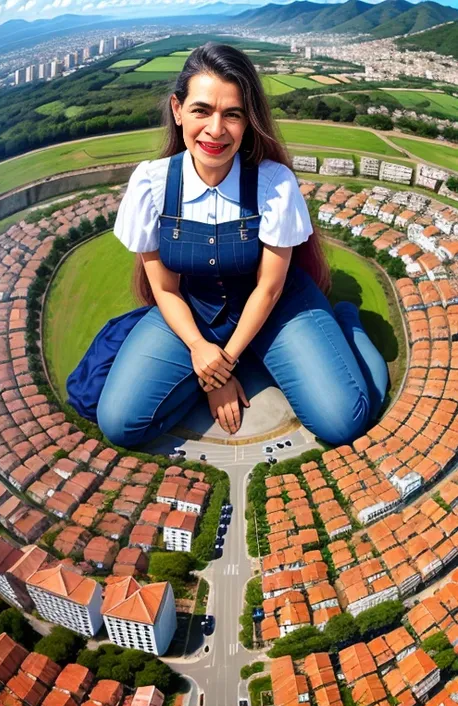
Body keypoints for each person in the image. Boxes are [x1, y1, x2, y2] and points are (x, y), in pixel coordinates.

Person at [95, 42, 389, 449]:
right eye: (202, 110)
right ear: (178, 110)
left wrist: (223, 365)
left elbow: (268, 289)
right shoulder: (152, 185)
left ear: (248, 121)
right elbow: (164, 288)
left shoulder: (273, 184)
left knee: (343, 420)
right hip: (193, 311)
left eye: (232, 114)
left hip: (276, 308)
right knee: (119, 422)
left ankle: (346, 322)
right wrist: (203, 354)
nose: (216, 130)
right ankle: (250, 357)